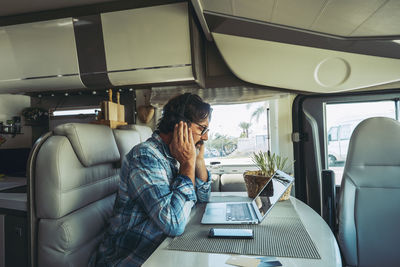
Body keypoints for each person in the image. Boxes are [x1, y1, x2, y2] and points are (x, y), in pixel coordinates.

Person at [90, 93, 212, 266]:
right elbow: (174, 223)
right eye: (202, 129)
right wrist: (187, 163)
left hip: (161, 252)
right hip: (131, 260)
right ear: (181, 125)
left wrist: (198, 160)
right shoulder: (145, 156)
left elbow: (203, 199)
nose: (206, 137)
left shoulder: (174, 155)